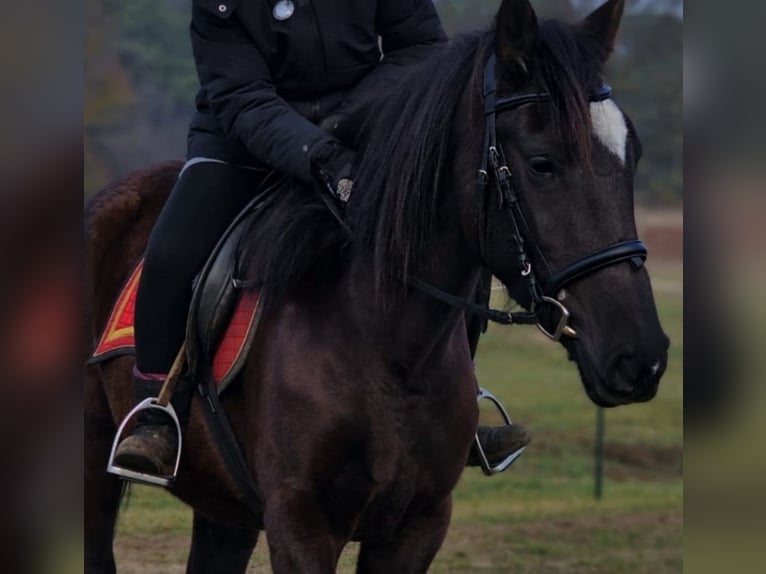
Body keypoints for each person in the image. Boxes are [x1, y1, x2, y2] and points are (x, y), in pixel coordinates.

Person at [112, 0, 529, 479]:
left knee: (450, 235)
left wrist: (346, 123)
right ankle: (157, 412)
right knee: (169, 256)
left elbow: (420, 49)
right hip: (242, 141)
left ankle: (464, 401)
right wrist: (316, 153)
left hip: (362, 129)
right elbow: (241, 96)